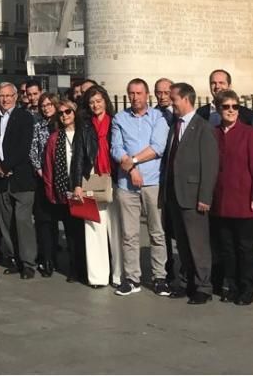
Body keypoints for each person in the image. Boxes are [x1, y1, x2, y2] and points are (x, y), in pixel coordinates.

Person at [110, 79, 169, 296]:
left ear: (147, 95)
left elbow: (157, 147)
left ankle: (159, 276)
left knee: (157, 232)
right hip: (127, 184)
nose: (135, 97)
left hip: (153, 182)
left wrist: (132, 161)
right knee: (130, 234)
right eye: (131, 93)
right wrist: (131, 169)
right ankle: (132, 278)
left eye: (139, 93)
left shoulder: (158, 117)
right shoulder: (120, 118)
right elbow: (116, 147)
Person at [162, 82, 219, 304]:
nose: (170, 102)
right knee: (183, 244)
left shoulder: (203, 127)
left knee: (198, 244)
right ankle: (187, 283)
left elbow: (210, 165)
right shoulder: (174, 126)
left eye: (173, 97)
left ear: (185, 99)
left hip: (193, 196)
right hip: (175, 195)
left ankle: (204, 286)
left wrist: (205, 197)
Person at [209, 90, 253, 306]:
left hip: (246, 201)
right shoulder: (213, 132)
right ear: (218, 108)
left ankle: (247, 289)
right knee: (227, 249)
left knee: (246, 248)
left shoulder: (249, 133)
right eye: (226, 107)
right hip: (221, 201)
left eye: (235, 107)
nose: (231, 111)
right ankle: (231, 287)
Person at [73, 86, 122, 289]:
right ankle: (98, 276)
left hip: (114, 177)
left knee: (118, 229)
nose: (96, 105)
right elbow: (78, 156)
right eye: (92, 102)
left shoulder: (116, 122)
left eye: (99, 101)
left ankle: (120, 275)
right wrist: (76, 184)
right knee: (93, 227)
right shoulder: (84, 126)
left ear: (105, 101)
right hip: (91, 176)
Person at [0, 82, 38, 278]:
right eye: (1, 96)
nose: (4, 99)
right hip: (1, 179)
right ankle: (13, 258)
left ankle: (28, 262)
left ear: (15, 97)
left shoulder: (24, 117)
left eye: (8, 95)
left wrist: (6, 166)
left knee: (23, 222)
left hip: (21, 178)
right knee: (6, 222)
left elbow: (24, 147)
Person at [42, 100, 86, 283]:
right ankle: (74, 269)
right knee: (70, 232)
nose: (65, 115)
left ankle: (86, 268)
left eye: (68, 111)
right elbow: (48, 167)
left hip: (82, 188)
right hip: (64, 190)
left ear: (75, 113)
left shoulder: (83, 134)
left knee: (84, 232)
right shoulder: (55, 138)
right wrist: (51, 191)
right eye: (61, 113)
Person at [31, 93, 62, 277]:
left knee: (61, 220)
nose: (46, 108)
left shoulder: (63, 123)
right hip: (44, 179)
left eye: (49, 104)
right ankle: (46, 259)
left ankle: (58, 257)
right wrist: (40, 170)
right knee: (44, 222)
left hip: (62, 180)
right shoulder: (38, 126)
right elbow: (33, 150)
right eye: (43, 105)